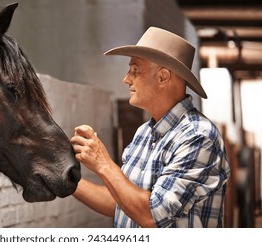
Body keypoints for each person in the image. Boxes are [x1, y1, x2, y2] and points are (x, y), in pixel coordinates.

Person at [70, 27, 231, 228]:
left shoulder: (198, 136)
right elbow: (122, 202)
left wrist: (102, 163)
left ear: (163, 77)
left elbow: (152, 216)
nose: (126, 78)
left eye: (135, 69)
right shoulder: (144, 133)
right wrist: (66, 179)